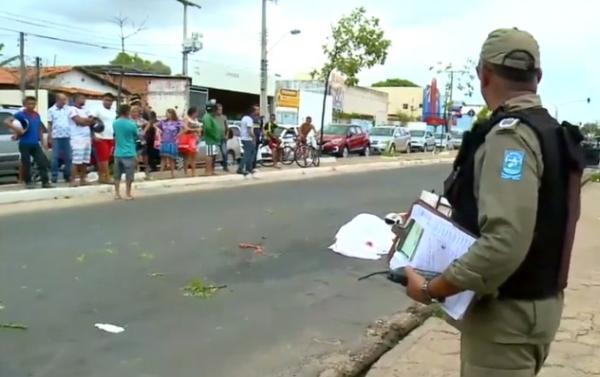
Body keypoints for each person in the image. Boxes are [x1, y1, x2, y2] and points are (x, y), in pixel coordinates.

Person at [404, 28, 585, 376]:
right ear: (538, 78)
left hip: (507, 319)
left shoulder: (511, 138)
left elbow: (504, 242)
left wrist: (431, 288)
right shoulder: (552, 132)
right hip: (535, 308)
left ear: (484, 74)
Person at [6, 96, 52, 189]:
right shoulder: (21, 114)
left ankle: (45, 182)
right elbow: (7, 121)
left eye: (33, 103)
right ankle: (28, 182)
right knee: (26, 163)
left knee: (42, 162)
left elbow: (39, 129)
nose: (31, 105)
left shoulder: (36, 115)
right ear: (25, 105)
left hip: (35, 144)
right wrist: (18, 130)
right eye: (29, 104)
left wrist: (43, 142)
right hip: (24, 143)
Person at [68, 94, 95, 186]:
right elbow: (78, 121)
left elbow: (93, 121)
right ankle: (73, 180)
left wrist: (85, 121)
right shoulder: (72, 109)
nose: (84, 100)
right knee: (76, 160)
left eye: (84, 98)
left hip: (87, 138)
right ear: (76, 99)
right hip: (77, 138)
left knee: (85, 160)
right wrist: (87, 121)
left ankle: (83, 179)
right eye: (82, 98)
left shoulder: (86, 110)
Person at [112, 104, 138, 200]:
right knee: (129, 175)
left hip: (118, 152)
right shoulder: (131, 124)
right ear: (127, 112)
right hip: (129, 152)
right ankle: (128, 193)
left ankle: (117, 193)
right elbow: (136, 135)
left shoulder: (115, 123)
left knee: (117, 175)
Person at [92, 93, 116, 184]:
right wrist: (93, 135)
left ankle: (101, 177)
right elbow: (91, 122)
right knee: (104, 158)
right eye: (106, 100)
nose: (108, 102)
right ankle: (108, 177)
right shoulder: (97, 110)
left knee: (106, 158)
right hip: (100, 137)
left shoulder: (113, 111)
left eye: (110, 100)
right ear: (103, 100)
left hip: (110, 137)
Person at [47, 93, 72, 183]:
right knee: (55, 157)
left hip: (67, 136)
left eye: (65, 100)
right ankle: (54, 176)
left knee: (69, 157)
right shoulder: (51, 110)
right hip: (56, 136)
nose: (64, 102)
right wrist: (49, 136)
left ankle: (67, 175)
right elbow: (50, 124)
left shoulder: (68, 109)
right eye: (62, 100)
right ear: (57, 100)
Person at [158, 108, 182, 179]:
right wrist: (159, 131)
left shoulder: (177, 122)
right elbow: (155, 125)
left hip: (172, 142)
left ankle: (172, 174)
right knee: (163, 159)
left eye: (167, 113)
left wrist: (178, 135)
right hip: (164, 141)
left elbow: (184, 128)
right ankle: (161, 173)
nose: (166, 114)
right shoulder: (163, 122)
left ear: (172, 114)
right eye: (166, 113)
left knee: (172, 159)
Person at [201, 103, 222, 176]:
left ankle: (211, 170)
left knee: (213, 155)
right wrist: (214, 136)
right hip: (210, 140)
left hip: (215, 140)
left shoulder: (212, 117)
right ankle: (208, 171)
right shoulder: (207, 117)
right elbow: (208, 129)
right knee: (209, 155)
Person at [238, 105, 258, 178]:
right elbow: (250, 130)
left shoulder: (244, 118)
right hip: (247, 139)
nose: (257, 112)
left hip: (244, 138)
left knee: (251, 153)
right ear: (252, 112)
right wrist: (254, 138)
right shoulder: (249, 119)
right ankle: (241, 168)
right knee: (248, 154)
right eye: (256, 110)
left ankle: (248, 168)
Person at [180, 107, 201, 177]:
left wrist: (199, 134)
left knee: (194, 157)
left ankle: (193, 172)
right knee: (187, 157)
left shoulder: (196, 120)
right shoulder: (186, 118)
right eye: (196, 112)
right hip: (188, 139)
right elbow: (185, 128)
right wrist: (195, 130)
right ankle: (186, 172)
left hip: (195, 139)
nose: (197, 114)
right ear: (193, 112)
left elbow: (199, 129)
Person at [130, 105, 148, 175]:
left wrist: (144, 131)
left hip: (141, 139)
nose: (134, 113)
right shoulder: (129, 120)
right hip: (132, 139)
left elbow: (148, 123)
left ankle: (146, 169)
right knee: (134, 154)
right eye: (133, 112)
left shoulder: (140, 119)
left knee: (144, 154)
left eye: (136, 112)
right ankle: (136, 169)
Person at [215, 103, 229, 171]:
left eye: (221, 109)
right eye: (219, 110)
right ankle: (212, 167)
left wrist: (226, 135)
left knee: (224, 152)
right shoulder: (213, 117)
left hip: (223, 138)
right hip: (216, 138)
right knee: (214, 153)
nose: (220, 111)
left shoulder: (224, 117)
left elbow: (227, 127)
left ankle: (225, 167)